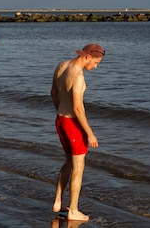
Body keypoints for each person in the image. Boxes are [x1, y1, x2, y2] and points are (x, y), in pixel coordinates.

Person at [51, 43, 105, 222]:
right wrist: (89, 133)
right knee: (78, 168)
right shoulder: (78, 76)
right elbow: (77, 108)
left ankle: (58, 201)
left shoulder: (61, 65)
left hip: (60, 120)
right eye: (96, 62)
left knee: (68, 162)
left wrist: (61, 113)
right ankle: (73, 210)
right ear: (87, 57)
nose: (96, 67)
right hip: (73, 124)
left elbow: (53, 93)